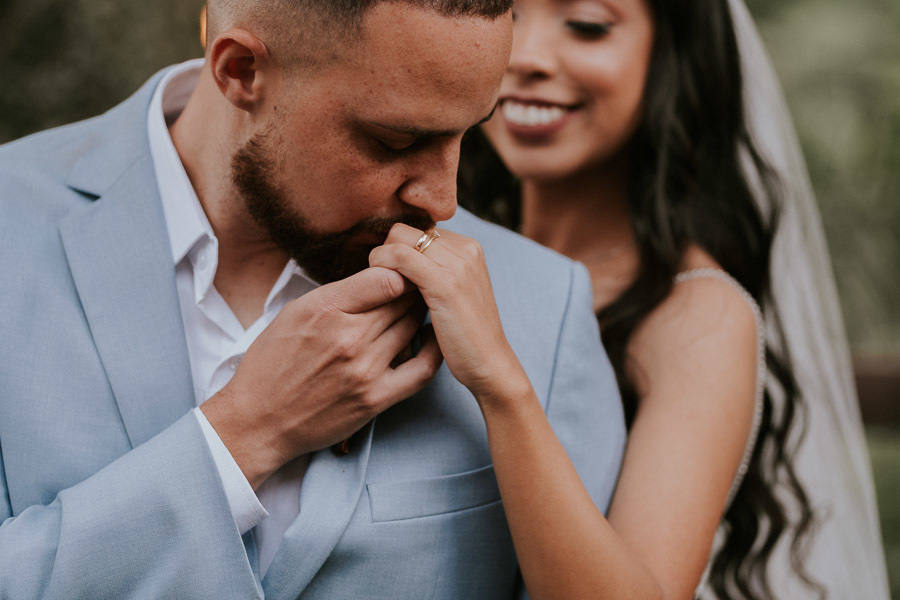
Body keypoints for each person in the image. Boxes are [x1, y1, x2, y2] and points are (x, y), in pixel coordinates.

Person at [0, 1, 627, 598]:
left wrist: (504, 396)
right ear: (241, 71)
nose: (443, 202)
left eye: (470, 132)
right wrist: (246, 434)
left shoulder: (543, 300)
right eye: (398, 141)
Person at [458, 0, 890, 598]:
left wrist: (499, 382)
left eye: (586, 25)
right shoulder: (457, 255)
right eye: (505, 15)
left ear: (670, 55)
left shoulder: (695, 315)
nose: (524, 56)